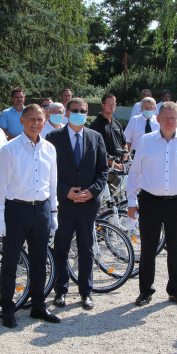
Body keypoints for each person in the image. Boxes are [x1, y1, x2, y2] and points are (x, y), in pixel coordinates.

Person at [126, 102, 177, 307]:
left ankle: (175, 290)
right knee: (148, 249)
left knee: (176, 249)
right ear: (158, 119)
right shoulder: (146, 141)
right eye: (165, 117)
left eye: (173, 117)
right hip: (149, 201)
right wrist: (131, 201)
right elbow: (135, 173)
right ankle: (145, 291)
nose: (169, 121)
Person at [0, 104, 60, 328]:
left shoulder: (49, 148)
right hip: (16, 210)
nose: (36, 123)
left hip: (41, 211)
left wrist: (53, 212)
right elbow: (0, 186)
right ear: (22, 120)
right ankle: (8, 308)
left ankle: (38, 306)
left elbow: (53, 184)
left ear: (45, 121)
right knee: (10, 262)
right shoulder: (9, 149)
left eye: (40, 119)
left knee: (40, 262)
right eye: (31, 119)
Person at [47, 98, 108, 310]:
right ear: (66, 112)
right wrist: (65, 191)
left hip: (88, 204)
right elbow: (47, 172)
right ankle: (60, 290)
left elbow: (103, 171)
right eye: (75, 110)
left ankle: (86, 292)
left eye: (83, 111)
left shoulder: (96, 137)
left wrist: (91, 192)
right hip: (64, 203)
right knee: (61, 248)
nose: (79, 113)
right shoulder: (53, 137)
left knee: (86, 249)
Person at [88, 93, 127, 167]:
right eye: (109, 104)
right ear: (102, 105)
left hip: (119, 168)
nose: (112, 106)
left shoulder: (117, 124)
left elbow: (124, 144)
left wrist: (123, 163)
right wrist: (114, 165)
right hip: (104, 168)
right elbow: (98, 148)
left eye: (114, 104)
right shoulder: (96, 124)